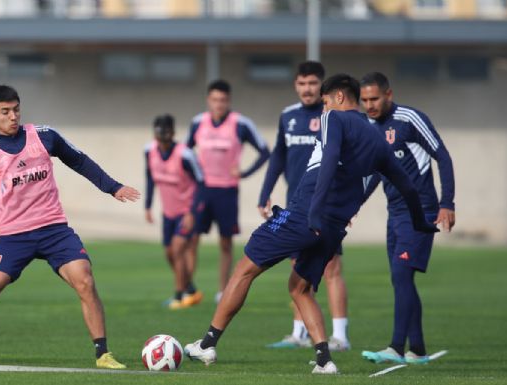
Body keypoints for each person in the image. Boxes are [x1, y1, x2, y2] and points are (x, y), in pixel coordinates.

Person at [183, 74, 438, 374]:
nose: (323, 109)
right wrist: (421, 221)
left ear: (339, 98)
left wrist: (313, 211)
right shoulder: (378, 140)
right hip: (333, 228)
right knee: (299, 288)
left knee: (244, 269)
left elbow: (329, 158)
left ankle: (208, 344)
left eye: (326, 102)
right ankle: (324, 361)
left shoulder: (334, 119)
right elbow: (406, 185)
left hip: (306, 215)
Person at [0, 85, 140, 369]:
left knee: (85, 279)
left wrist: (112, 187)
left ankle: (103, 354)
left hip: (53, 229)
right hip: (13, 235)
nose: (13, 116)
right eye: (5, 111)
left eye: (16, 109)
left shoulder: (44, 136)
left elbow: (79, 161)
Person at [359, 72, 455, 365]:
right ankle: (419, 350)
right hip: (395, 213)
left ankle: (396, 348)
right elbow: (376, 173)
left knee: (402, 275)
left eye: (374, 99)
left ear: (388, 94)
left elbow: (443, 156)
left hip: (421, 211)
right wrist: (353, 207)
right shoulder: (368, 127)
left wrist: (446, 203)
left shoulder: (410, 118)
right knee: (401, 279)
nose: (369, 105)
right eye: (364, 100)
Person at [259, 61, 350, 351]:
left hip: (327, 207)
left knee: (331, 268)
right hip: (296, 205)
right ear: (296, 85)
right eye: (302, 83)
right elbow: (278, 157)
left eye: (312, 83)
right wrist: (265, 193)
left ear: (322, 85)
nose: (307, 89)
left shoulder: (333, 118)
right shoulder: (288, 117)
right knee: (297, 269)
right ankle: (298, 334)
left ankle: (340, 336)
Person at [186, 80, 270, 303]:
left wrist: (243, 172)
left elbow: (264, 151)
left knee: (225, 242)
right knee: (192, 238)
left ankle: (222, 291)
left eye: (223, 100)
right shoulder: (198, 123)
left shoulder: (241, 124)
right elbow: (183, 153)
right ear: (208, 100)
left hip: (227, 191)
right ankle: (189, 290)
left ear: (229, 101)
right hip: (203, 189)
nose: (218, 104)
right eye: (214, 99)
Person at [144, 114, 204, 309]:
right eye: (159, 133)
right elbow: (150, 177)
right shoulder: (149, 151)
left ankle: (178, 296)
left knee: (178, 248)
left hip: (186, 211)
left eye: (166, 133)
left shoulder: (185, 154)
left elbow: (201, 182)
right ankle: (191, 290)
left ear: (173, 133)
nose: (163, 138)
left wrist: (192, 212)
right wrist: (148, 205)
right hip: (168, 213)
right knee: (169, 253)